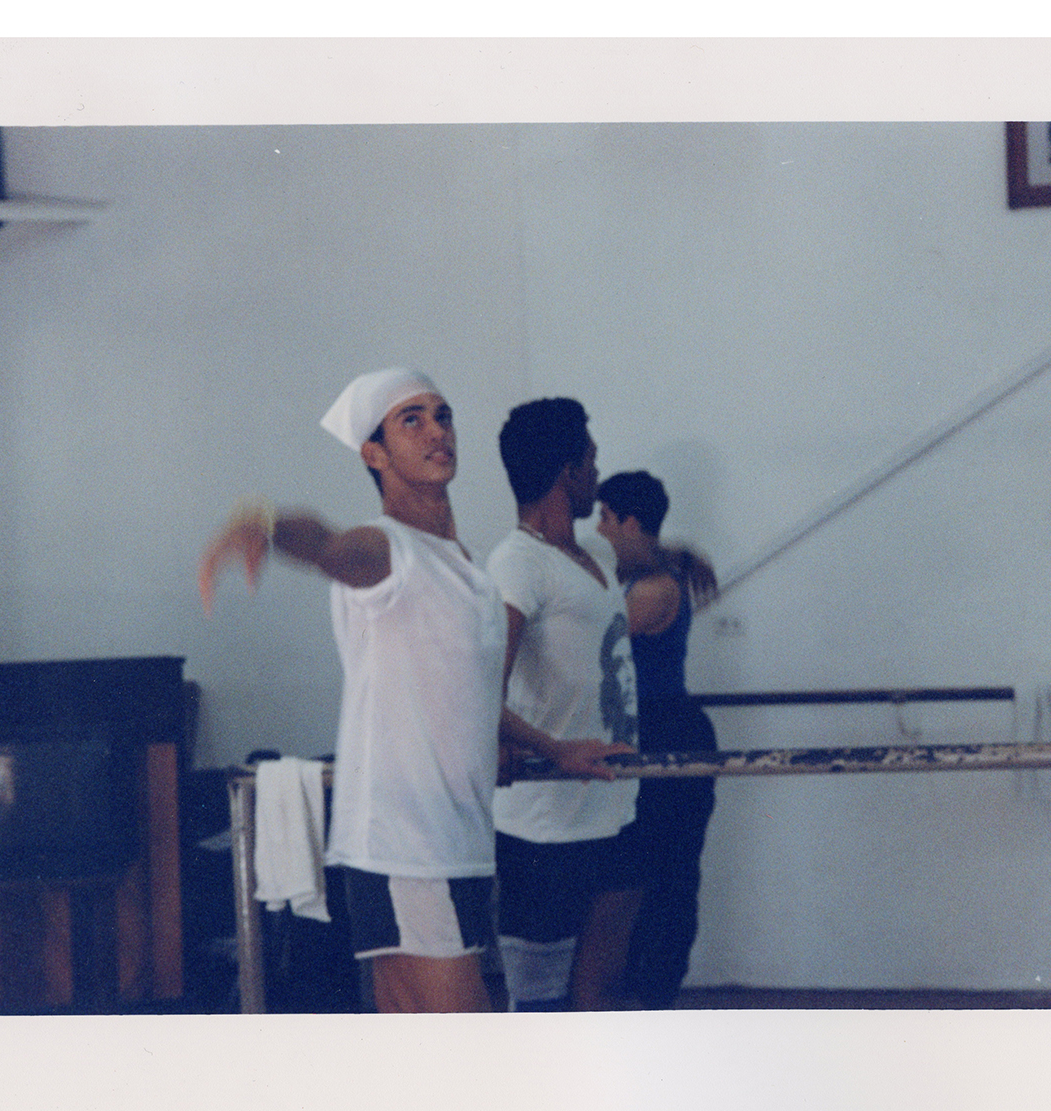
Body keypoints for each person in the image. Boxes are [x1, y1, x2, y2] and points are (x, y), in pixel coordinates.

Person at [197, 368, 620, 1013]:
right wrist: (266, 524)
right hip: (409, 844)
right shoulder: (387, 549)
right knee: (470, 1051)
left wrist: (555, 749)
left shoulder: (466, 570)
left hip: (456, 841)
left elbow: (473, 694)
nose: (436, 430)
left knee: (419, 1054)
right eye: (411, 420)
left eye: (442, 414)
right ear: (375, 454)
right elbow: (328, 544)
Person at [488, 398, 644, 1011]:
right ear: (567, 472)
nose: (598, 473)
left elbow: (641, 557)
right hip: (543, 822)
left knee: (597, 996)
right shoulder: (515, 563)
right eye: (592, 460)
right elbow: (483, 686)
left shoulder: (593, 558)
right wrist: (535, 747)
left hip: (612, 805)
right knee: (540, 1005)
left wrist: (678, 559)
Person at [594, 470, 720, 1010]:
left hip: (670, 731)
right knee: (634, 871)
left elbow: (591, 634)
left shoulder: (656, 589)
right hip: (641, 731)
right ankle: (637, 996)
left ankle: (654, 998)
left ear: (627, 521)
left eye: (604, 518)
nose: (596, 528)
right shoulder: (654, 568)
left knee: (667, 875)